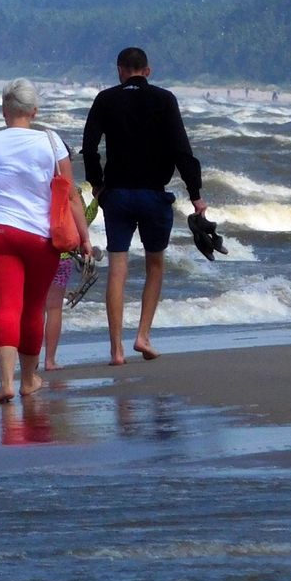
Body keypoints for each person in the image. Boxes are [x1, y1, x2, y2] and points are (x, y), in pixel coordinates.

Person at [82, 47, 208, 366]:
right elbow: (182, 150)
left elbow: (89, 146)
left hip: (118, 195)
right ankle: (142, 336)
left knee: (118, 268)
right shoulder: (165, 100)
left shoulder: (106, 99)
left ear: (120, 70)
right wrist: (196, 195)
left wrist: (96, 183)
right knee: (155, 265)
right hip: (154, 194)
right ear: (147, 71)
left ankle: (116, 350)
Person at [0, 79, 92, 403]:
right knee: (33, 308)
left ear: (4, 110)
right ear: (34, 111)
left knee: (6, 307)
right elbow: (71, 195)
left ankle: (4, 383)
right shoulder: (52, 143)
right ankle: (27, 380)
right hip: (41, 238)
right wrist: (84, 238)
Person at [43, 190, 99, 371]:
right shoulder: (72, 191)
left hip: (37, 250)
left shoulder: (37, 182)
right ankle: (49, 360)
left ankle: (30, 358)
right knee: (53, 308)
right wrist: (96, 201)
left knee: (33, 307)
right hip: (63, 255)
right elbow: (84, 218)